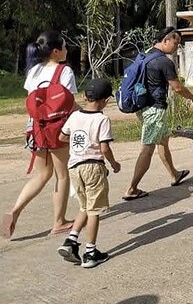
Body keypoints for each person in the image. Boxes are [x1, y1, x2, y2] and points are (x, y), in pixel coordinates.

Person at [1, 31, 77, 239]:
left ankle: (14, 210)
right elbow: (68, 103)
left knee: (42, 174)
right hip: (56, 128)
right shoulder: (64, 72)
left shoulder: (33, 70)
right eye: (64, 46)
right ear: (55, 51)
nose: (67, 50)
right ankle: (59, 222)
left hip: (35, 127)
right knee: (62, 175)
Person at [123, 27, 193, 201]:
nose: (176, 47)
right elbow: (177, 87)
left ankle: (174, 174)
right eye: (175, 42)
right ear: (166, 40)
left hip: (144, 107)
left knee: (163, 140)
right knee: (147, 149)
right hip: (154, 110)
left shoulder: (146, 55)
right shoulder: (164, 62)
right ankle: (132, 188)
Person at [57, 78, 121, 268]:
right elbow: (104, 148)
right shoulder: (102, 119)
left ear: (85, 96)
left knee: (84, 206)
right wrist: (114, 164)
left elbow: (62, 136)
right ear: (106, 100)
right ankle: (91, 252)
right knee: (95, 211)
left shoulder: (75, 116)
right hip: (93, 167)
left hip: (74, 167)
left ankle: (71, 240)